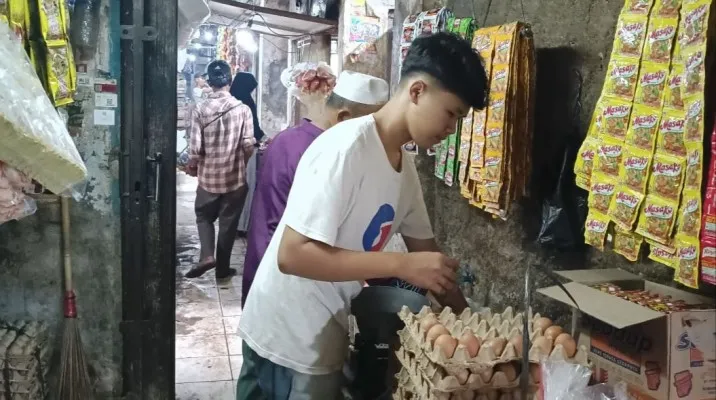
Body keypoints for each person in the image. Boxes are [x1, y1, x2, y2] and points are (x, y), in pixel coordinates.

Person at [236, 32, 487, 399]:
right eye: (451, 114)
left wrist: (474, 327)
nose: (451, 129)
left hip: (322, 330)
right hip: (286, 338)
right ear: (417, 92)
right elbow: (291, 255)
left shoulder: (405, 170)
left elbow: (433, 265)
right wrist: (401, 265)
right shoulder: (346, 147)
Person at [241, 70, 389, 307]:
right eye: (373, 129)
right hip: (284, 280)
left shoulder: (292, 141)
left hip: (290, 274)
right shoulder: (319, 150)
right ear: (344, 117)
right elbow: (275, 223)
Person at [185, 60, 257, 279]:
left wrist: (192, 167)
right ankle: (223, 270)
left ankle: (207, 255)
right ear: (230, 81)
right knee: (228, 224)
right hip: (235, 180)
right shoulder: (243, 109)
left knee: (204, 217)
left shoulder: (199, 109)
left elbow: (195, 149)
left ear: (209, 82)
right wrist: (241, 164)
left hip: (208, 179)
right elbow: (248, 145)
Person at [229, 72, 264, 236]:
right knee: (246, 187)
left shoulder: (228, 102)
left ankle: (230, 223)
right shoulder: (247, 103)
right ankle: (242, 226)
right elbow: (254, 129)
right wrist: (264, 138)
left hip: (228, 151)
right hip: (246, 151)